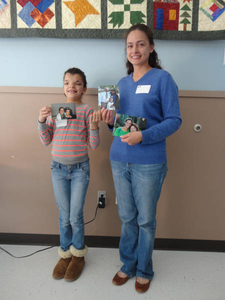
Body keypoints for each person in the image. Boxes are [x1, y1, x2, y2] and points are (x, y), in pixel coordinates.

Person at [101, 24, 182, 293]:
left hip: (149, 161)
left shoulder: (163, 79)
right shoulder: (121, 84)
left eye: (140, 44)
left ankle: (144, 269)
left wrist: (143, 137)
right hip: (119, 158)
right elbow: (120, 126)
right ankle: (127, 264)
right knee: (126, 216)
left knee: (145, 219)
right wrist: (111, 122)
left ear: (151, 47)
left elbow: (174, 121)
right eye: (130, 45)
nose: (134, 50)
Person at [38, 67, 101, 282]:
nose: (71, 86)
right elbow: (46, 140)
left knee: (75, 215)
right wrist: (41, 121)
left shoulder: (87, 111)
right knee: (64, 216)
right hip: (58, 169)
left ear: (84, 88)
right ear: (63, 87)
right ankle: (65, 254)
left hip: (80, 169)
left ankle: (78, 255)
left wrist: (94, 128)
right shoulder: (57, 111)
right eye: (67, 82)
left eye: (76, 82)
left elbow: (94, 145)